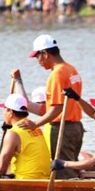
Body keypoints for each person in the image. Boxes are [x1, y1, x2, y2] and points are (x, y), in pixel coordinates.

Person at [13, 34, 83, 179]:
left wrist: (35, 124)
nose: (38, 62)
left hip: (62, 129)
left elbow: (57, 108)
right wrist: (18, 81)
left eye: (37, 57)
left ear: (45, 54)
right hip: (76, 127)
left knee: (64, 174)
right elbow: (46, 109)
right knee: (71, 168)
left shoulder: (56, 74)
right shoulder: (71, 69)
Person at [0, 94, 50, 179]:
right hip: (43, 179)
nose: (3, 113)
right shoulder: (34, 127)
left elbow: (0, 170)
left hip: (25, 180)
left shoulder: (13, 133)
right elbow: (7, 155)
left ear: (10, 112)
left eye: (4, 109)